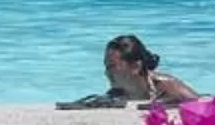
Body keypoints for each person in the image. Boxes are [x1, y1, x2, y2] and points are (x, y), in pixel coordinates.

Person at [62, 34, 199, 109]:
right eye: (106, 67)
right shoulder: (117, 93)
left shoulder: (166, 85)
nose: (106, 73)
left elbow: (197, 102)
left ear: (135, 66)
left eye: (111, 66)